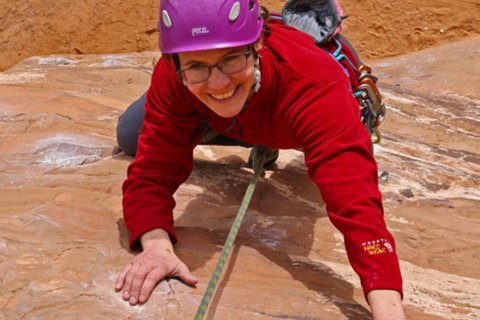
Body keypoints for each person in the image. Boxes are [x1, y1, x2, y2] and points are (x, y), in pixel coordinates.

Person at [114, 0, 405, 319]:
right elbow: (152, 171)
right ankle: (255, 119)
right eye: (197, 66)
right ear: (174, 62)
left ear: (258, 44)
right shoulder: (175, 74)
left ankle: (311, 113)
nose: (218, 82)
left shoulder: (314, 85)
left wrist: (388, 309)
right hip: (230, 113)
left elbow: (356, 204)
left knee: (335, 158)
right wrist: (156, 246)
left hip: (292, 109)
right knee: (131, 133)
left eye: (232, 59)